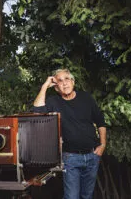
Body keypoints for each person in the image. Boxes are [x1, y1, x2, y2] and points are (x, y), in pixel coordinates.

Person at [32, 68, 106, 199]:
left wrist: (103, 145)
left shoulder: (86, 98)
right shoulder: (53, 101)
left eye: (67, 79)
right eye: (59, 81)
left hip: (92, 155)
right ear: (56, 87)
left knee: (87, 196)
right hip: (70, 158)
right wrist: (45, 86)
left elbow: (100, 122)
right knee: (71, 197)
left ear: (73, 82)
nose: (64, 83)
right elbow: (37, 112)